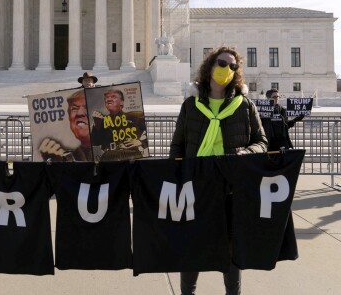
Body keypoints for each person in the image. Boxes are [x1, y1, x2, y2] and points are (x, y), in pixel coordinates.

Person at [169, 46, 267, 295]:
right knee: (192, 245)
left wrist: (248, 152)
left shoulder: (245, 105)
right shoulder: (191, 105)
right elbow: (177, 145)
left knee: (231, 247)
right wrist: (177, 178)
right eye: (222, 63)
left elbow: (262, 141)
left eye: (233, 66)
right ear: (210, 66)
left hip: (231, 186)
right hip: (197, 184)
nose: (227, 69)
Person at [91, 89, 148, 160]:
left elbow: (149, 134)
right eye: (106, 98)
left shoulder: (135, 117)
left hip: (131, 156)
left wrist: (140, 142)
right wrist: (97, 125)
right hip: (110, 158)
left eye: (113, 97)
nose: (109, 99)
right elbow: (95, 142)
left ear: (122, 102)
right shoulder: (101, 121)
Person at [39, 90, 92, 161]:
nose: (79, 113)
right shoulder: (67, 152)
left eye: (86, 108)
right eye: (74, 108)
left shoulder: (108, 147)